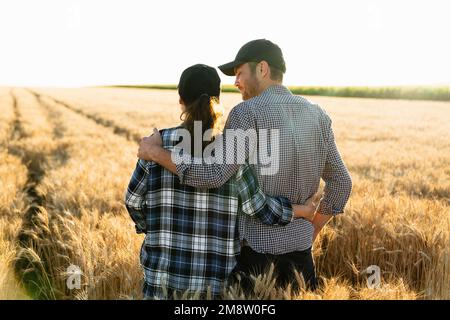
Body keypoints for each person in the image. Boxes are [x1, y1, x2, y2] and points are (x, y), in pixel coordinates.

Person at [137, 39, 352, 291]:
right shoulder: (318, 115)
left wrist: (155, 153)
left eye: (239, 73)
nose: (235, 82)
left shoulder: (246, 113)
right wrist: (312, 228)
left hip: (255, 259)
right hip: (301, 259)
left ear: (262, 69)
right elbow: (341, 183)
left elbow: (214, 175)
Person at [125, 64, 317, 299]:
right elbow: (257, 208)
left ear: (180, 100)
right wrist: (302, 210)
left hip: (162, 284)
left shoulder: (155, 146)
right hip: (216, 289)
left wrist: (155, 231)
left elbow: (133, 201)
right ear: (217, 99)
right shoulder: (233, 150)